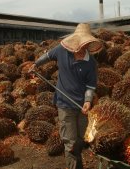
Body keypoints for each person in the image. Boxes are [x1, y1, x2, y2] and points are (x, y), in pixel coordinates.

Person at [28, 23, 103, 169]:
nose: (82, 46)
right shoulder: (61, 50)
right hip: (64, 104)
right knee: (70, 142)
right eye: (81, 42)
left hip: (82, 107)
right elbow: (48, 56)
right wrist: (36, 64)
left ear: (88, 43)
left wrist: (88, 101)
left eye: (86, 43)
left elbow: (90, 86)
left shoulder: (91, 63)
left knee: (81, 140)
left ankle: (77, 163)